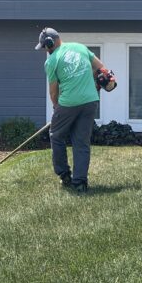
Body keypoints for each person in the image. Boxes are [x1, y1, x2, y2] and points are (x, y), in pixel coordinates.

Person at [35, 27, 116, 194]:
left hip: (68, 103)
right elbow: (101, 68)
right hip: (90, 101)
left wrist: (57, 108)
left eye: (45, 46)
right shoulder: (80, 47)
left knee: (56, 136)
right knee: (81, 142)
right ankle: (80, 183)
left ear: (50, 43)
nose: (45, 49)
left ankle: (64, 174)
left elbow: (53, 92)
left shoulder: (51, 61)